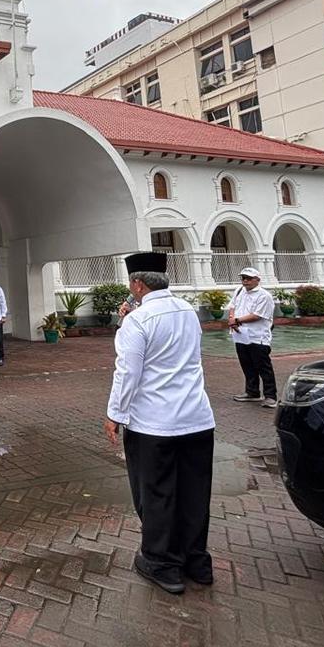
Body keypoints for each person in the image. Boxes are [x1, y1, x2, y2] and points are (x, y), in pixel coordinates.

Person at [104, 252, 216, 595]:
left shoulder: (137, 321)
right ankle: (196, 561)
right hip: (196, 417)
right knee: (195, 492)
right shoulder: (188, 311)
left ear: (137, 284)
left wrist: (114, 414)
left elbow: (128, 373)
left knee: (156, 493)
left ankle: (162, 562)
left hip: (154, 423)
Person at [227, 267, 278, 408]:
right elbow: (232, 306)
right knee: (247, 365)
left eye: (249, 278)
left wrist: (236, 320)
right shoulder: (239, 291)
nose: (245, 281)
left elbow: (257, 315)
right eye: (243, 278)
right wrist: (232, 318)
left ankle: (270, 396)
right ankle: (252, 392)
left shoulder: (264, 296)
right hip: (240, 335)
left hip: (258, 336)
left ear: (257, 280)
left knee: (263, 366)